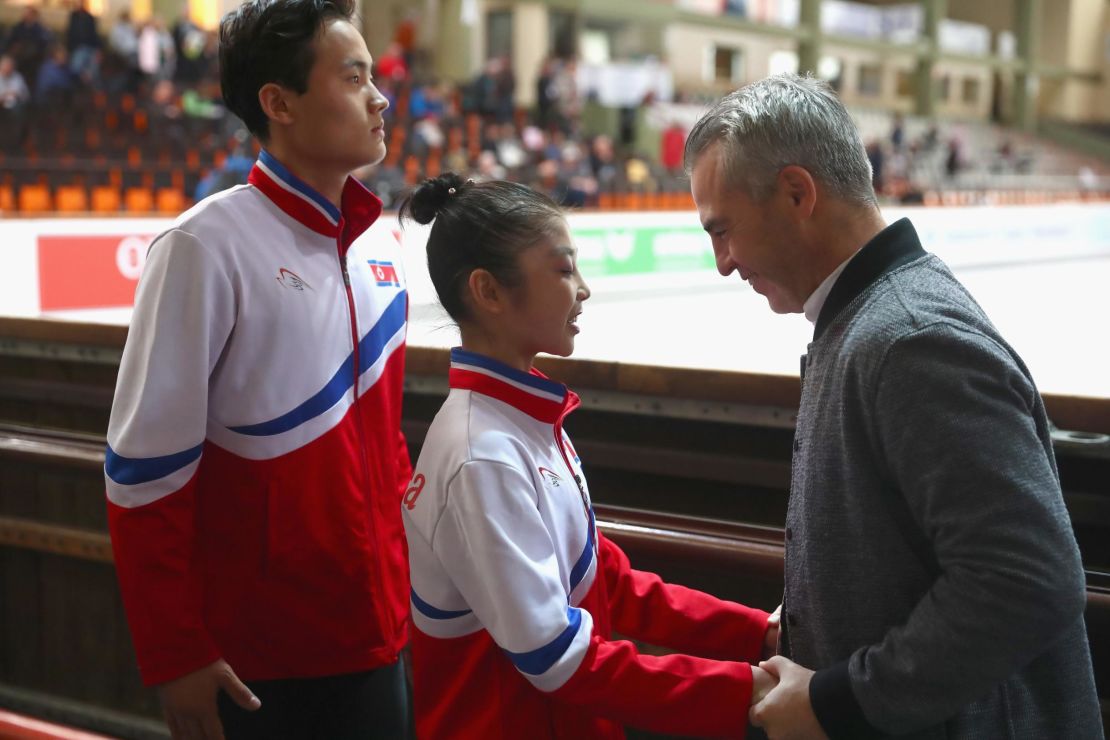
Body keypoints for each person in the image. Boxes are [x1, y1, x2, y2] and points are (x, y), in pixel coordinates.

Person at [684, 72, 1102, 739]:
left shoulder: (909, 339)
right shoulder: (867, 322)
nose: (723, 263)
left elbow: (1028, 581)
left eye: (724, 230)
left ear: (797, 193)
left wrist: (837, 701)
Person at [104, 0, 412, 737]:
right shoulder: (203, 248)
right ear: (279, 103)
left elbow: (388, 451)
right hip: (259, 664)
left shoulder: (379, 251)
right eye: (354, 77)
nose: (381, 98)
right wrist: (175, 652)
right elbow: (143, 474)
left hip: (382, 636)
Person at [397, 172, 779, 739]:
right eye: (562, 269)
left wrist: (757, 635)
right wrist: (746, 691)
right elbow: (557, 659)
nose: (583, 288)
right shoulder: (483, 458)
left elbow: (610, 584)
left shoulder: (525, 420)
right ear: (488, 292)